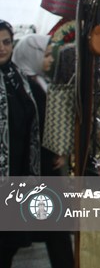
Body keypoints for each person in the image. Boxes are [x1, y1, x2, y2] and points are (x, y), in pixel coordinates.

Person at [10, 34, 74, 268]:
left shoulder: (38, 81)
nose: (50, 60)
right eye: (45, 55)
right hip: (38, 164)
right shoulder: (23, 86)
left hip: (48, 162)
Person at [0, 22, 41, 265]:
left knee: (10, 242)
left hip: (18, 171)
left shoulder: (19, 78)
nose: (2, 48)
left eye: (6, 42)